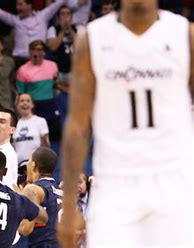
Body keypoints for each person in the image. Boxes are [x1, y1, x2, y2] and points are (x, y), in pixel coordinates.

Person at [59, 1, 194, 247]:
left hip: (174, 180)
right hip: (114, 183)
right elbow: (78, 125)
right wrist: (69, 206)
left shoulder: (185, 35)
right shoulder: (92, 39)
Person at [16, 40, 61, 142]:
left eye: (39, 50)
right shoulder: (22, 70)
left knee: (55, 135)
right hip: (34, 106)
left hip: (50, 104)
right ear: (29, 52)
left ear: (44, 52)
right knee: (36, 135)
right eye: (33, 50)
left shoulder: (53, 66)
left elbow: (56, 82)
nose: (36, 53)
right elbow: (21, 93)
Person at [20, 147, 62, 248]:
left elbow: (25, 229)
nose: (27, 164)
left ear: (33, 165)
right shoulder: (62, 192)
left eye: (29, 161)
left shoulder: (32, 189)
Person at [13, 93, 50, 164]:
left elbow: (47, 145)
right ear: (17, 106)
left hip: (36, 164)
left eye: (28, 101)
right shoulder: (15, 124)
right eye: (22, 101)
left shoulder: (40, 121)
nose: (25, 103)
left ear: (32, 105)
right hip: (18, 165)